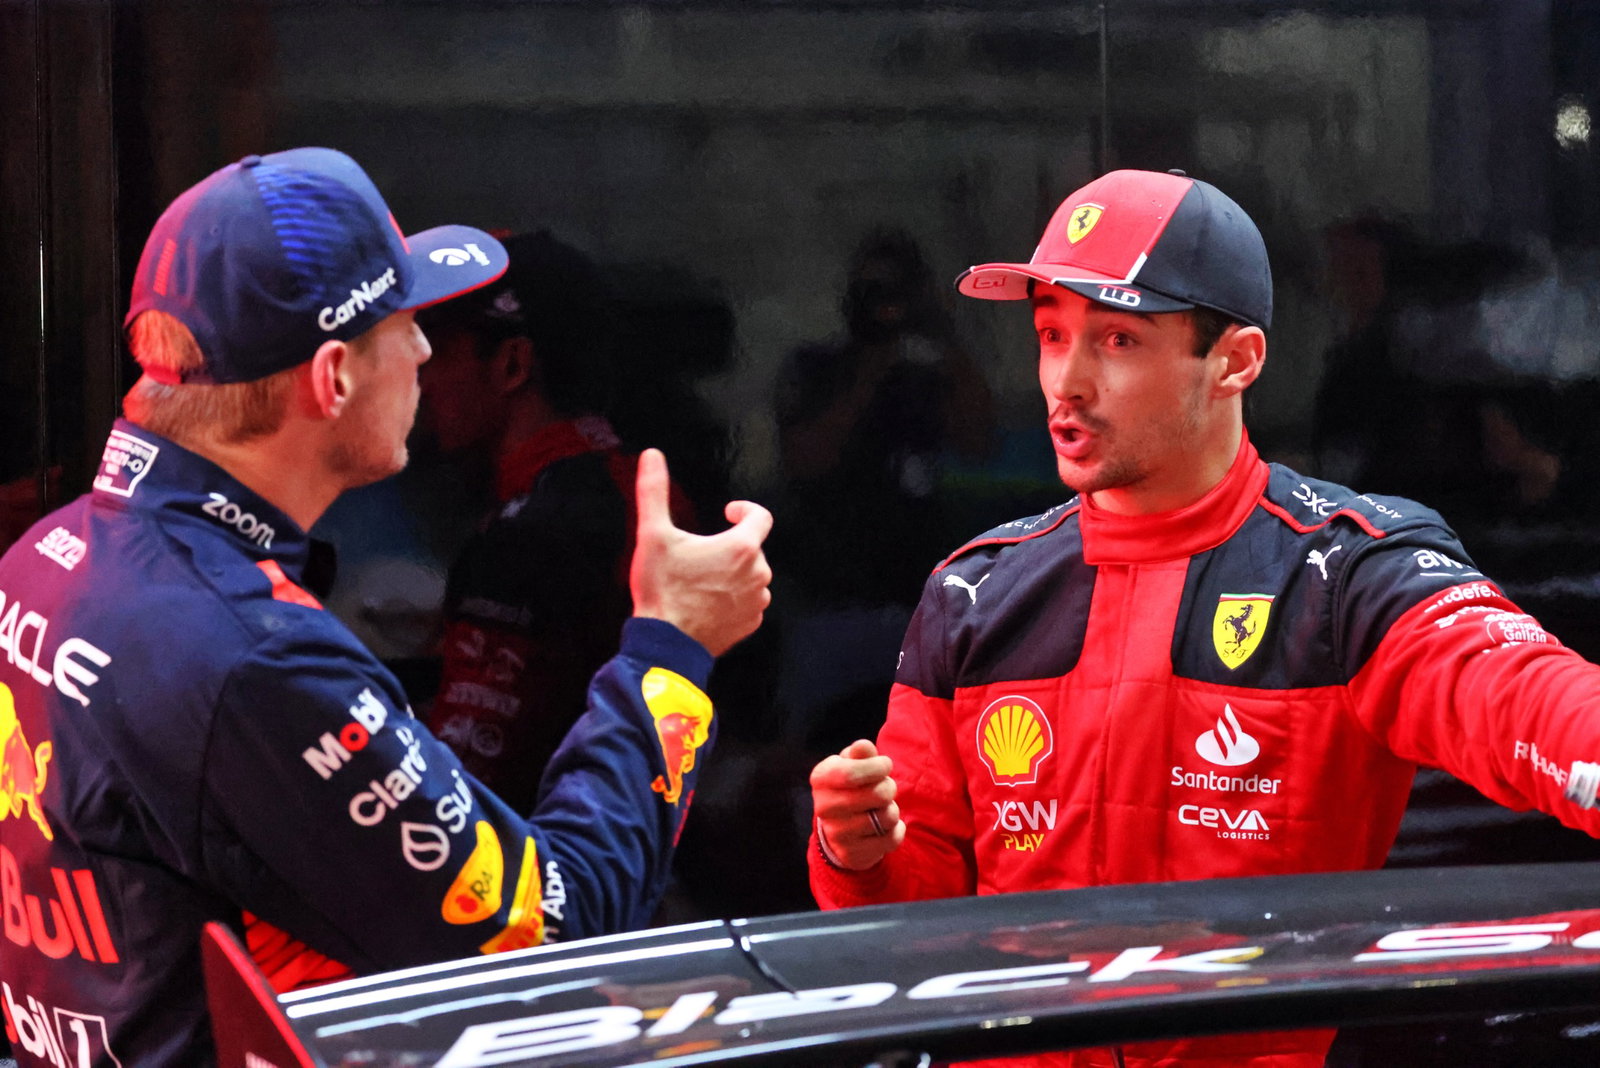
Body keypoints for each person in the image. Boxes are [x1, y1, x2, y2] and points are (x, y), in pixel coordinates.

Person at [806, 168, 1600, 1068]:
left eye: (1116, 339)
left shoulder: (1343, 570)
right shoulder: (974, 590)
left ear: (1236, 361)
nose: (1065, 381)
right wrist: (856, 850)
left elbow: (1519, 695)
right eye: (1050, 334)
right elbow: (913, 939)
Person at [0, 148, 772, 1067]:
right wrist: (672, 647)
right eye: (407, 325)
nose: (423, 353)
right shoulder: (257, 659)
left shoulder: (42, 560)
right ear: (332, 379)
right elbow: (555, 934)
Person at [418, 230, 697, 814]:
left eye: (439, 351)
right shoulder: (655, 489)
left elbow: (464, 783)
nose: (421, 378)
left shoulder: (527, 536)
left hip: (559, 866)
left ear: (513, 363)